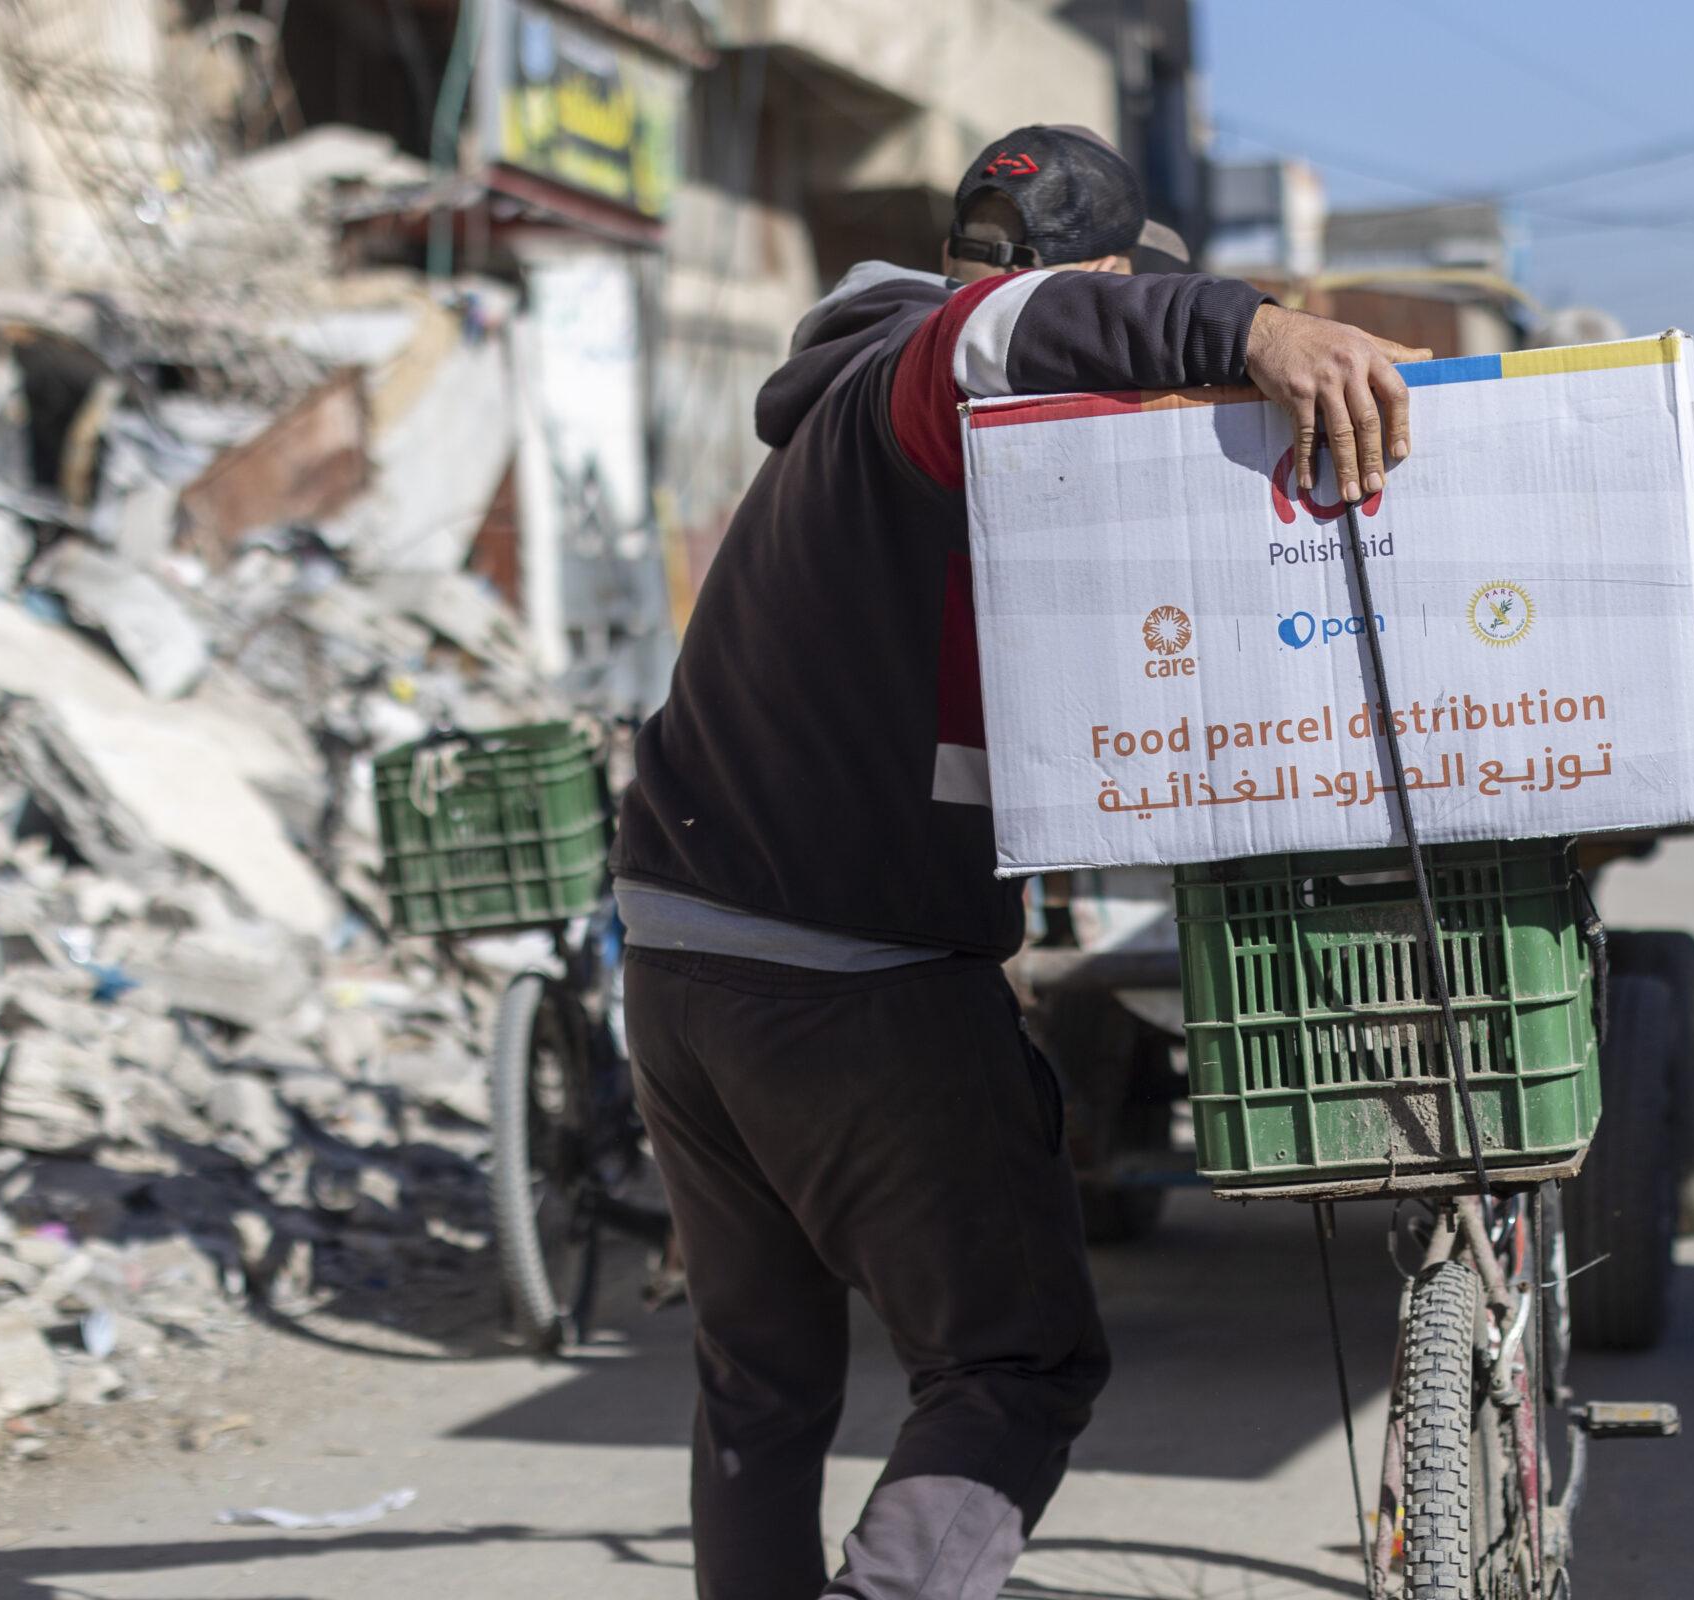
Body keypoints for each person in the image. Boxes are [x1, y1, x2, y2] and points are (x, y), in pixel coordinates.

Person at [610, 124, 1427, 1600]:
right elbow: (1006, 327)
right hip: (846, 969)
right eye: (1122, 310)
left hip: (680, 954)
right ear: (1096, 275)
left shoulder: (854, 412)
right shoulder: (921, 374)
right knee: (1016, 1359)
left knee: (762, 1377)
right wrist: (1260, 330)